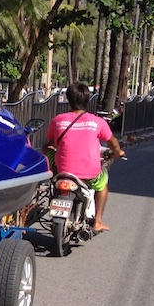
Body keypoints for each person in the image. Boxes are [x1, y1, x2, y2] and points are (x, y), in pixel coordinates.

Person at [44, 81, 125, 233]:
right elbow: (113, 142)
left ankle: (52, 181)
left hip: (63, 169)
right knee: (103, 183)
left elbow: (50, 143)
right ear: (88, 100)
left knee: (46, 149)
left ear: (68, 100)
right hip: (90, 173)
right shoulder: (98, 122)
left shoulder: (58, 120)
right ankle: (98, 221)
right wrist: (118, 152)